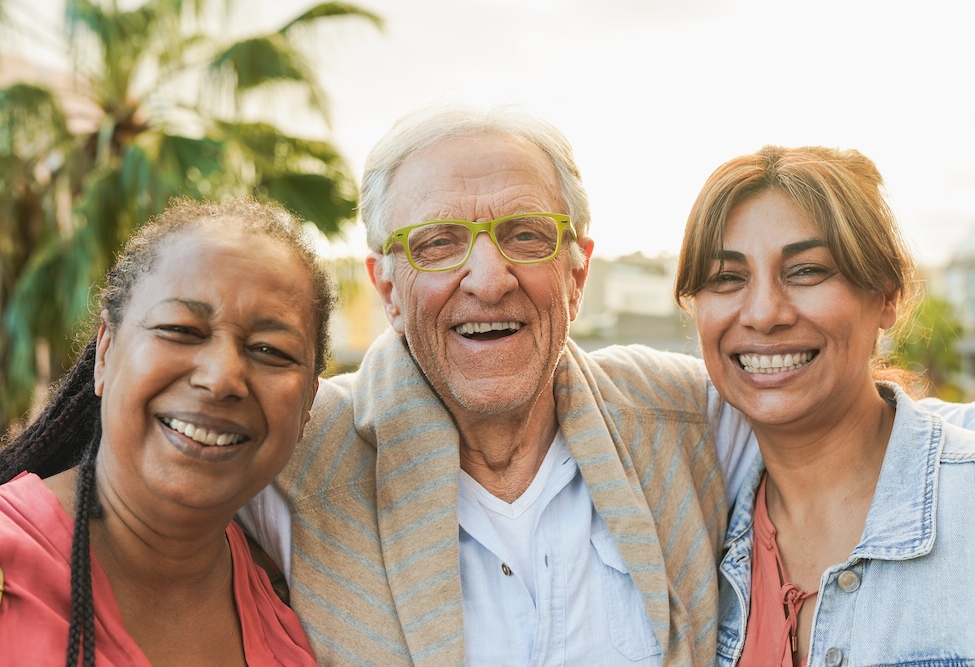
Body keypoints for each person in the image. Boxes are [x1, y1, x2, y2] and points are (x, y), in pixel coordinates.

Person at [239, 103, 771, 667]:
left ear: (576, 276)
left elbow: (850, 430)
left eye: (525, 236)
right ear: (388, 289)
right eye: (439, 243)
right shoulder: (292, 452)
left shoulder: (693, 413)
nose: (490, 280)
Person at [0, 197, 335, 666]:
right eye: (181, 329)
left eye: (271, 350)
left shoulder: (289, 608)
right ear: (105, 353)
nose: (222, 377)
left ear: (309, 400)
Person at [675, 146, 975, 665]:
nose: (764, 313)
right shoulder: (689, 548)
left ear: (886, 296)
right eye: (726, 277)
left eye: (806, 271)